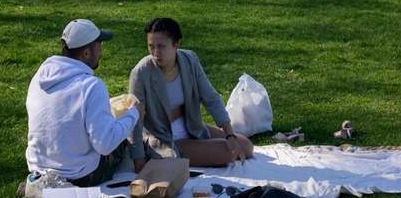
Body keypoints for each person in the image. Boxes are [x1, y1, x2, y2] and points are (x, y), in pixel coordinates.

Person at [26, 19, 143, 186]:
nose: (101, 50)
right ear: (86, 53)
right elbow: (105, 144)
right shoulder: (92, 86)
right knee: (121, 136)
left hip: (39, 169)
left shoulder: (39, 78)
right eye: (99, 45)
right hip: (79, 176)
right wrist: (133, 114)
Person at [128, 18, 253, 171]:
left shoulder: (190, 60)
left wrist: (229, 134)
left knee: (245, 145)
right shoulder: (141, 72)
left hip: (191, 126)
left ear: (177, 43)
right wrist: (138, 161)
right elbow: (135, 119)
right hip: (165, 137)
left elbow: (210, 98)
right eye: (151, 46)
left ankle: (204, 142)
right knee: (228, 151)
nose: (156, 53)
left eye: (161, 46)